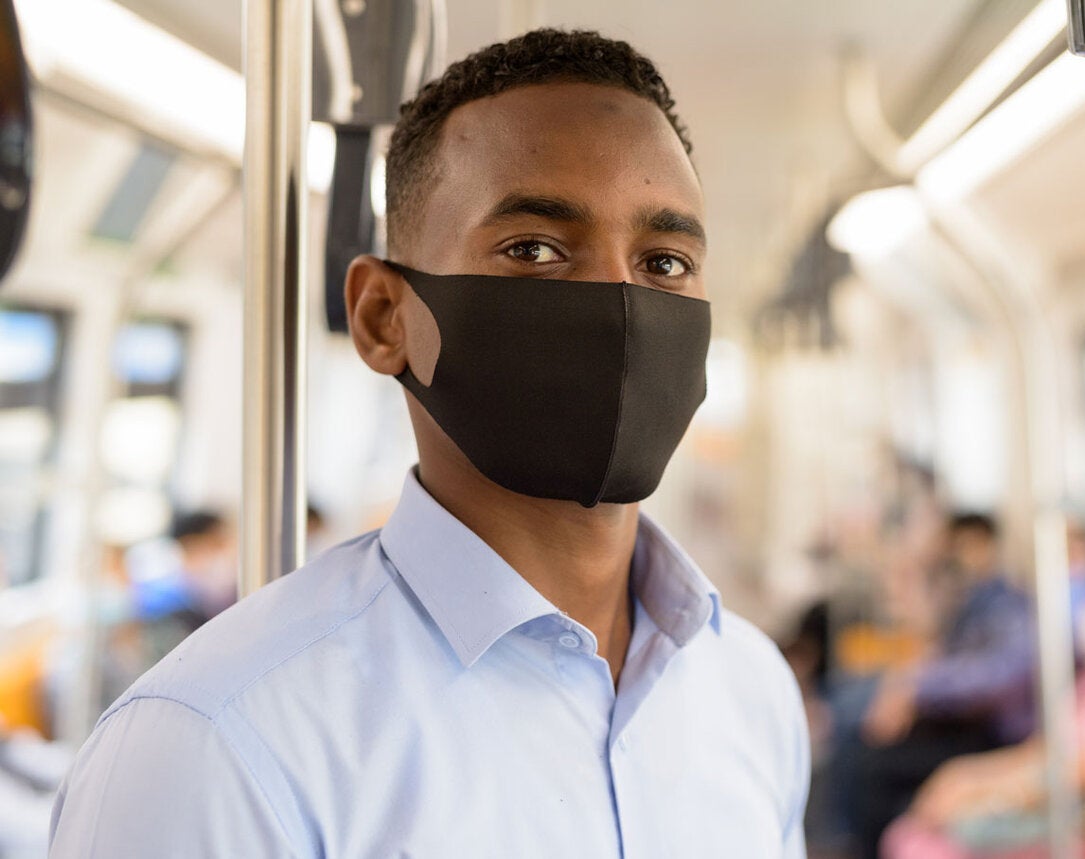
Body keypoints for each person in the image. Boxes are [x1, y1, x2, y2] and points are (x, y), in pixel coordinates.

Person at [51, 29, 809, 857]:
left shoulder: (753, 694)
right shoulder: (218, 746)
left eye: (665, 262)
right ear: (385, 317)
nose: (622, 306)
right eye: (534, 250)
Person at [880, 573, 1085, 859]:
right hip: (1049, 800)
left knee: (927, 846)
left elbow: (1081, 776)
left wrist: (981, 798)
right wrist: (963, 776)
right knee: (908, 833)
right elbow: (1044, 748)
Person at [846, 513, 1036, 858]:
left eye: (963, 546)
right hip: (959, 721)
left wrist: (917, 687)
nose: (957, 555)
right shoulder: (971, 600)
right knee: (860, 732)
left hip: (990, 733)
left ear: (985, 545)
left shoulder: (1008, 606)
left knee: (872, 762)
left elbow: (994, 678)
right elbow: (936, 647)